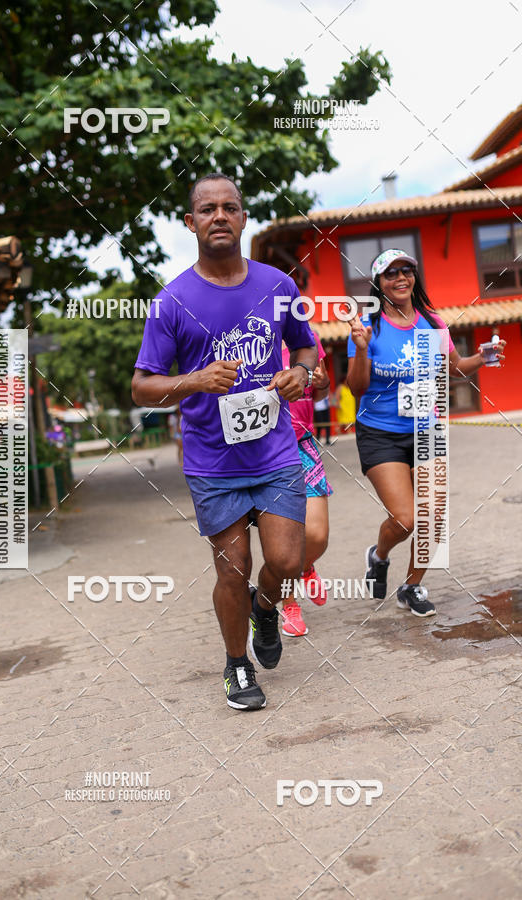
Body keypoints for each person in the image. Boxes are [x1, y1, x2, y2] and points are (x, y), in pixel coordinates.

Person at [131, 173, 318, 710]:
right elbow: (143, 385)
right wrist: (194, 380)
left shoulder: (279, 287)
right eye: (207, 209)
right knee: (231, 567)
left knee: (286, 560)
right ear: (191, 223)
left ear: (242, 218)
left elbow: (307, 350)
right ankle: (237, 666)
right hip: (214, 462)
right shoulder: (172, 300)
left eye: (229, 207)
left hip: (276, 451)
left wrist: (300, 375)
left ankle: (267, 608)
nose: (219, 216)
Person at [347, 248, 506, 617]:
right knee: (405, 519)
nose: (401, 278)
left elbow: (455, 368)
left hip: (426, 429)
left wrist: (482, 358)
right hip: (380, 432)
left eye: (407, 271)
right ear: (379, 283)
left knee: (433, 516)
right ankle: (379, 554)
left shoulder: (433, 323)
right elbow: (356, 388)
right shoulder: (369, 325)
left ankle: (412, 586)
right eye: (391, 274)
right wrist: (358, 350)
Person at [280, 335, 333, 637]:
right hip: (267, 450)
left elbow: (319, 392)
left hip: (303, 445)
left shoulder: (307, 337)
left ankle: (305, 567)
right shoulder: (247, 335)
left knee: (317, 535)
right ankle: (289, 604)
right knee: (286, 536)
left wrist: (323, 383)